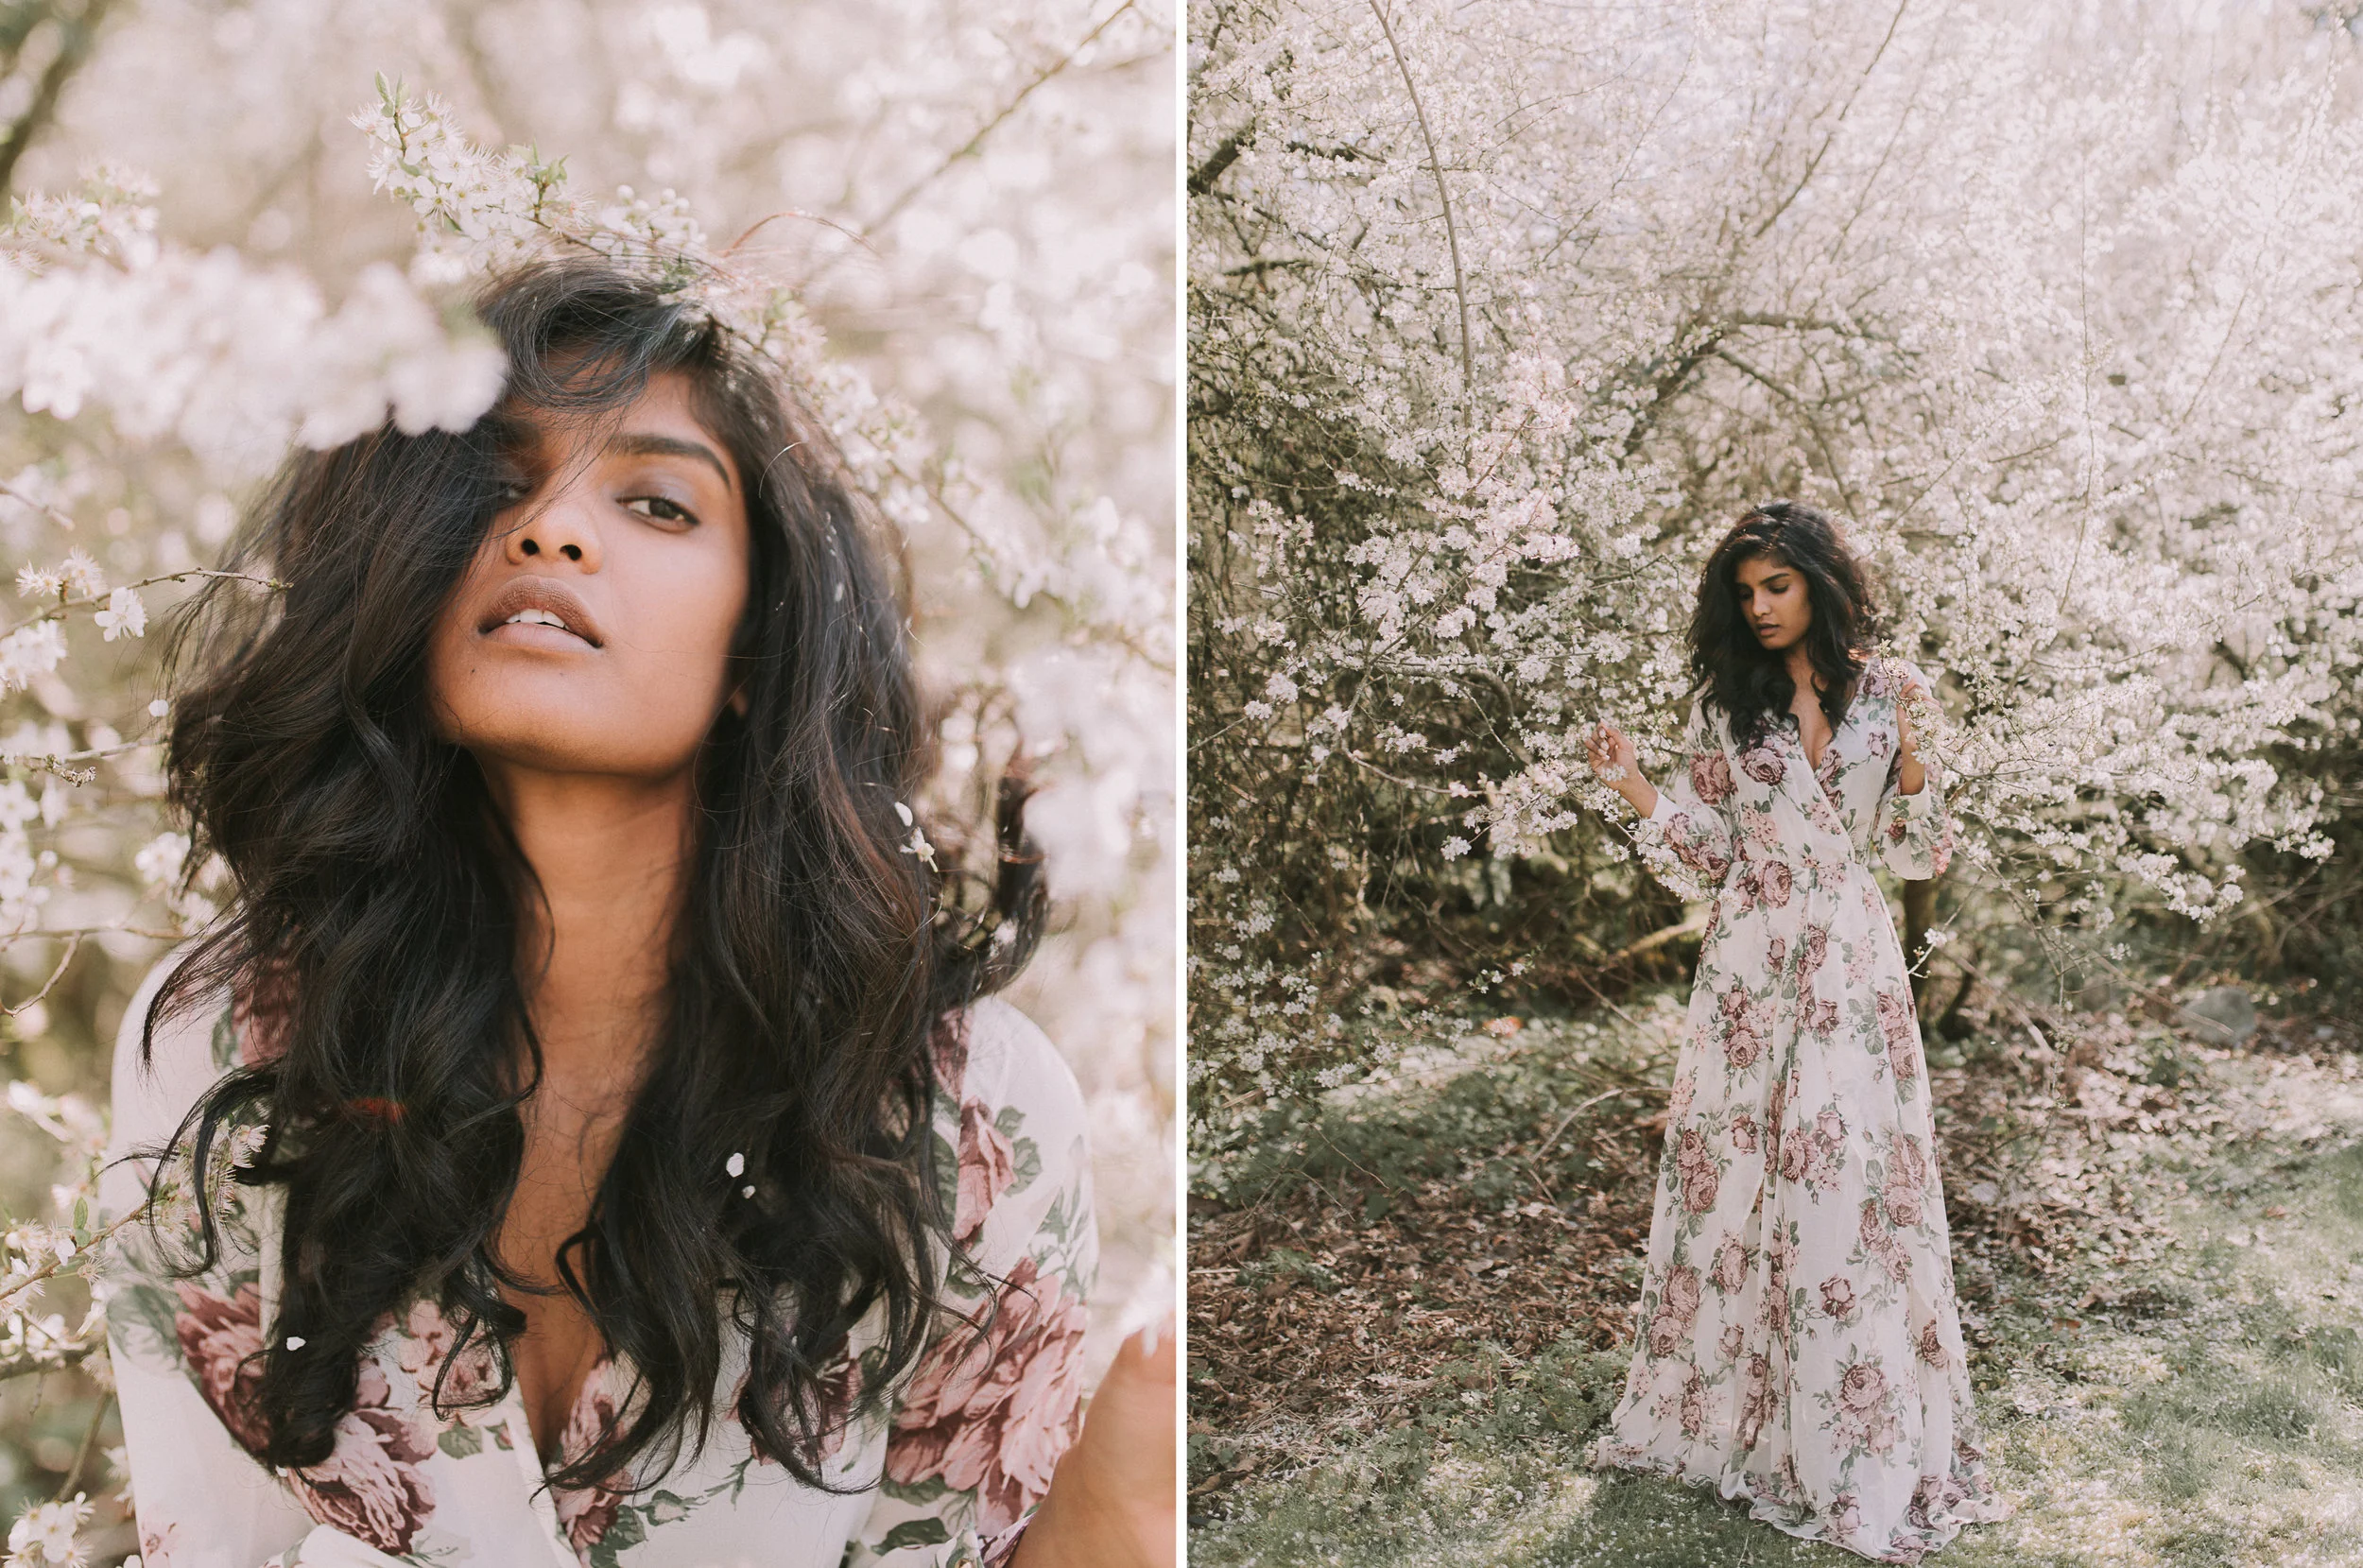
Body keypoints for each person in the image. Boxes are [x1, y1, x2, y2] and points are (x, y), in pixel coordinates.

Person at [97, 258, 1173, 1568]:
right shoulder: (224, 1046)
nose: (552, 528)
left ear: (752, 643)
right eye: (494, 483)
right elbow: (205, 1539)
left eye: (657, 502)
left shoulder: (964, 1120)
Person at [1582, 501, 2005, 1563]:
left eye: (1776, 585)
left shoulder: (1893, 691)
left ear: (1818, 580)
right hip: (1748, 962)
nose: (1761, 607)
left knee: (1844, 1178)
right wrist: (1634, 786)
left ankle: (1854, 1432)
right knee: (1743, 1181)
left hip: (1849, 958)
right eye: (1745, 593)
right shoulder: (1732, 709)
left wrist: (1912, 762)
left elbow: (1917, 856)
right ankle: (1749, 1419)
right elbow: (1712, 854)